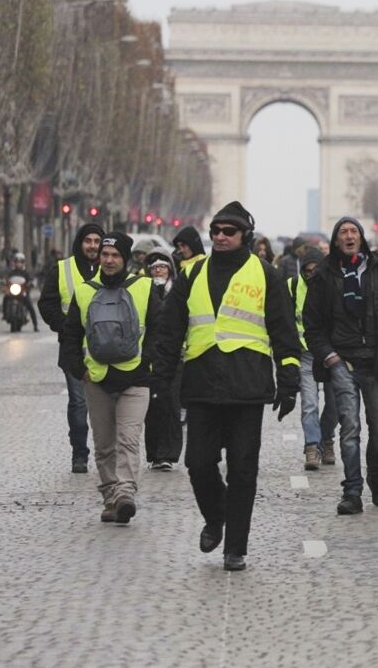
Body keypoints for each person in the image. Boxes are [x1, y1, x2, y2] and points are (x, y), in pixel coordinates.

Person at [152, 201, 302, 571]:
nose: (220, 236)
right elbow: (171, 329)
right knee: (198, 464)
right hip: (202, 384)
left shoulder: (265, 273)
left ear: (244, 236)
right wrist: (160, 378)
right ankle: (216, 516)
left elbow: (283, 331)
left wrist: (289, 380)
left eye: (228, 231)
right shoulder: (193, 273)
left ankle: (236, 547)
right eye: (216, 230)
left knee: (243, 471)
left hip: (247, 387)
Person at [303, 217, 378, 514]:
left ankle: (376, 477)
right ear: (336, 240)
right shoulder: (323, 275)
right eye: (343, 232)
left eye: (354, 231)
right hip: (342, 363)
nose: (349, 236)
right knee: (349, 429)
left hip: (377, 362)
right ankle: (352, 491)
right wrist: (329, 357)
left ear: (361, 237)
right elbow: (312, 324)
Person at [62, 232, 161, 526]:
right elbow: (70, 335)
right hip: (97, 377)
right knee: (104, 444)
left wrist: (148, 362)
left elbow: (160, 328)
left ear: (125, 258)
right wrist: (78, 367)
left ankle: (126, 493)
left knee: (128, 439)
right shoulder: (84, 291)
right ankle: (110, 498)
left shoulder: (144, 287)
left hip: (136, 378)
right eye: (104, 255)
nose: (108, 260)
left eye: (115, 256)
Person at [39, 222, 104, 473]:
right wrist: (65, 327)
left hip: (107, 350)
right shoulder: (62, 269)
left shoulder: (111, 266)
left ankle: (106, 453)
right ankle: (80, 454)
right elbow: (47, 304)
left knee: (105, 405)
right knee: (78, 403)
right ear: (80, 242)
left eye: (97, 241)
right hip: (73, 349)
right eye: (88, 241)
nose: (93, 246)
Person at [288, 248, 337, 470]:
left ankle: (326, 439)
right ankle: (312, 446)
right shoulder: (291, 286)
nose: (310, 275)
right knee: (310, 404)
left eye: (314, 271)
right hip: (305, 354)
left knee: (335, 404)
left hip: (330, 354)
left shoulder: (334, 284)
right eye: (306, 271)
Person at [142, 251, 182, 471]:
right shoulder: (144, 291)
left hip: (174, 356)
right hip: (150, 357)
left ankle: (168, 453)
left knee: (171, 405)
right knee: (153, 406)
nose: (158, 271)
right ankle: (155, 454)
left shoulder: (177, 292)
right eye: (154, 268)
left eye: (162, 267)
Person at [1, 252, 39, 331]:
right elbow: (6, 279)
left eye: (20, 262)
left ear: (23, 263)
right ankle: (4, 315)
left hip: (23, 292)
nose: (18, 264)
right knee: (5, 299)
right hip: (12, 292)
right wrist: (4, 283)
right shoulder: (11, 272)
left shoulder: (26, 273)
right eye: (16, 262)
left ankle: (35, 325)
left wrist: (31, 283)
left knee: (30, 306)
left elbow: (31, 279)